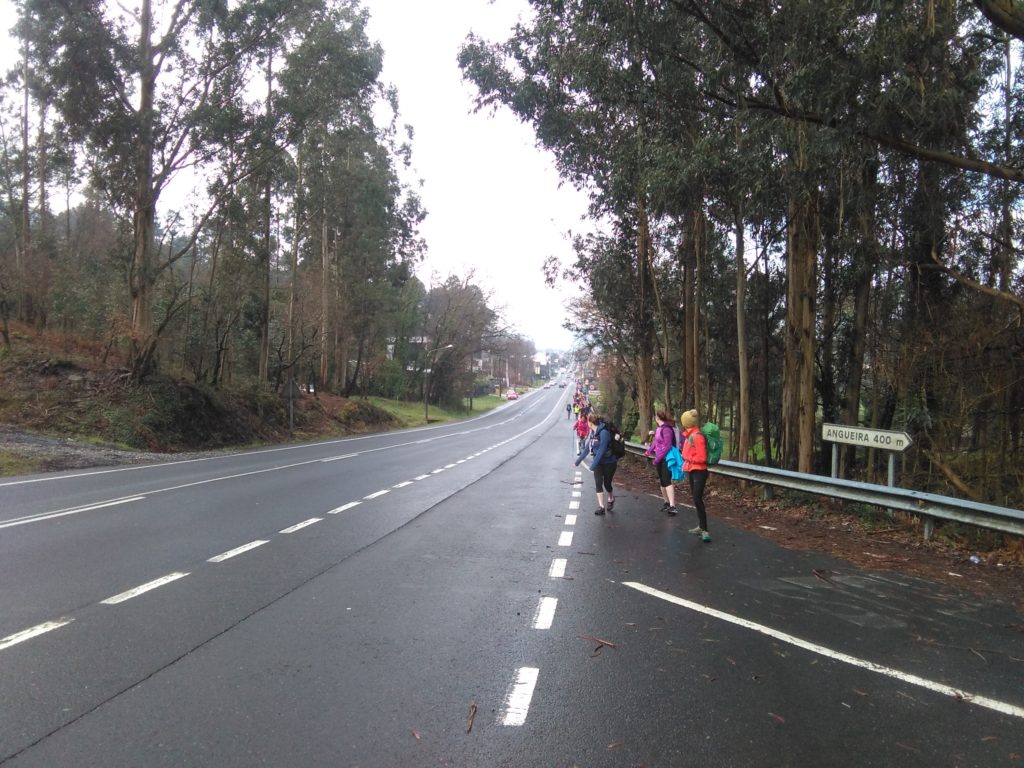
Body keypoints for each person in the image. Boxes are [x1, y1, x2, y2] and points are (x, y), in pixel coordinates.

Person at [573, 412, 619, 515]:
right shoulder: (594, 434)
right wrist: (577, 461)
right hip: (598, 464)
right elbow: (587, 449)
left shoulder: (604, 433)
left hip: (609, 462)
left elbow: (602, 450)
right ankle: (601, 506)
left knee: (607, 484)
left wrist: (592, 466)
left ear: (590, 422)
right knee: (598, 483)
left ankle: (611, 498)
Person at [680, 408, 711, 542]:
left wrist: (687, 457)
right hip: (692, 470)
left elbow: (702, 457)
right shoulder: (689, 435)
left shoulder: (697, 436)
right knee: (696, 500)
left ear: (686, 422)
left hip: (699, 471)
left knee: (698, 499)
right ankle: (701, 526)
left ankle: (705, 531)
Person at [645, 410, 678, 516]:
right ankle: (666, 502)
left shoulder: (667, 429)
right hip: (659, 458)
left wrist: (657, 459)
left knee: (667, 481)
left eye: (655, 416)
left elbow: (667, 446)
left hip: (667, 458)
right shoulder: (659, 429)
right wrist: (649, 450)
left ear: (658, 418)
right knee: (662, 481)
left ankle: (673, 506)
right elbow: (655, 442)